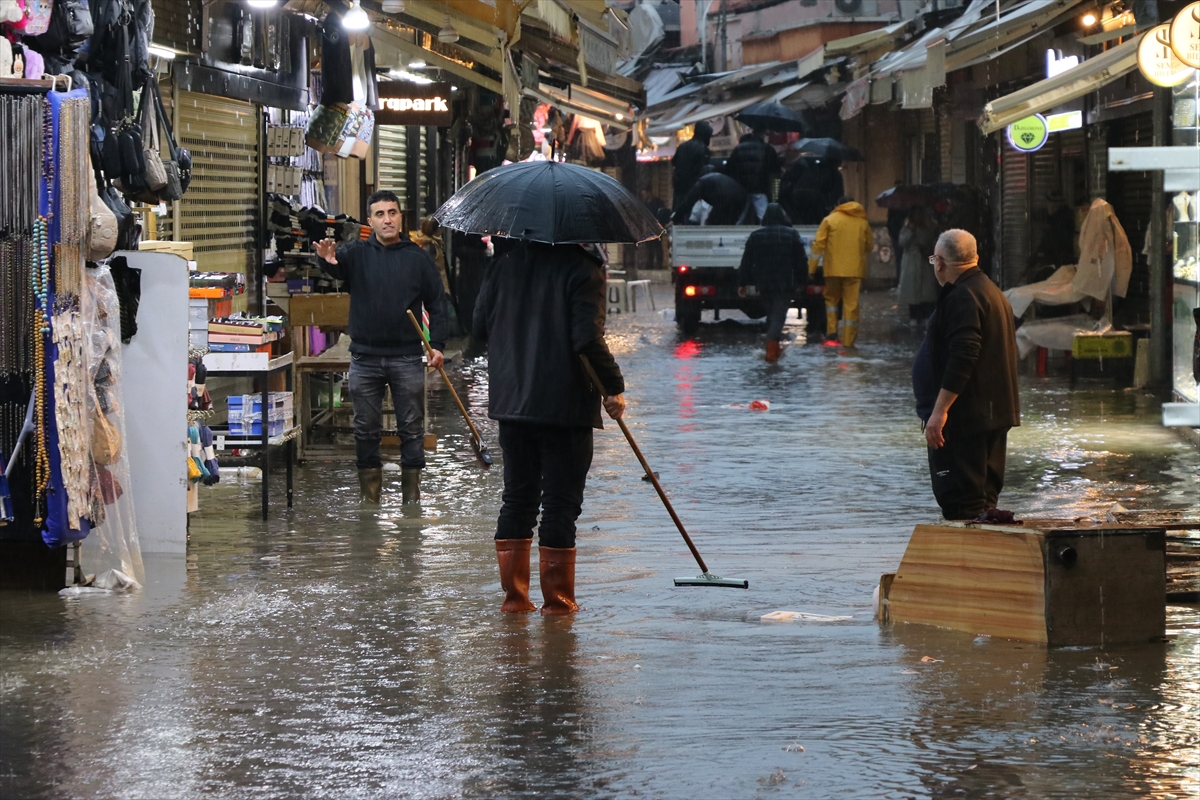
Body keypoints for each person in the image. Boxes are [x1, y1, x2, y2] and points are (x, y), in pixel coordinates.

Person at [472, 241, 626, 615]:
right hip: (565, 406)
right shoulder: (583, 269)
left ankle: (515, 603)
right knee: (559, 506)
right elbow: (587, 338)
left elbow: (477, 330)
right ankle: (558, 609)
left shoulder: (503, 265)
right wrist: (614, 387)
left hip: (513, 404)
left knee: (518, 500)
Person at [315, 190, 449, 505]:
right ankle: (369, 501)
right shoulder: (355, 254)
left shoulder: (418, 258)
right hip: (364, 358)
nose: (387, 219)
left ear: (401, 216)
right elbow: (336, 268)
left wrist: (438, 345)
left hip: (406, 358)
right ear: (370, 220)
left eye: (392, 212)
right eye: (380, 214)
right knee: (365, 429)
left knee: (412, 429)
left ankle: (411, 500)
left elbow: (438, 305)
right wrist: (326, 261)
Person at [913, 229, 1020, 521]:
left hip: (965, 420)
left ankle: (966, 563)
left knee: (962, 502)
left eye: (934, 258)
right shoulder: (990, 291)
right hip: (990, 414)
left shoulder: (962, 296)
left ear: (941, 263)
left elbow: (964, 355)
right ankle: (987, 562)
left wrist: (940, 411)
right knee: (982, 503)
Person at [737, 203, 807, 362]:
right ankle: (771, 351)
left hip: (763, 283)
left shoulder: (756, 235)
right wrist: (802, 280)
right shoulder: (791, 234)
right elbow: (801, 261)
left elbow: (746, 261)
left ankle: (772, 347)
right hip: (784, 283)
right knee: (778, 316)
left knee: (771, 315)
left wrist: (742, 283)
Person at [808, 195, 873, 346]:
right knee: (851, 304)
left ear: (838, 205)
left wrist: (811, 268)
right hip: (854, 271)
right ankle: (849, 342)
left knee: (831, 300)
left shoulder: (829, 220)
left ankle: (831, 333)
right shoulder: (862, 223)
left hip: (832, 270)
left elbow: (818, 245)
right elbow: (869, 246)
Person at [724, 127, 780, 224]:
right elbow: (774, 168)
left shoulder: (738, 148)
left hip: (741, 187)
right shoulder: (767, 148)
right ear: (762, 134)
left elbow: (730, 168)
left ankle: (735, 236)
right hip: (759, 187)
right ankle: (766, 234)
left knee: (740, 216)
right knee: (764, 216)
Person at [896, 206, 939, 320]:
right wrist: (911, 231)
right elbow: (902, 242)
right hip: (911, 261)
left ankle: (924, 315)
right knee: (912, 290)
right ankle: (914, 315)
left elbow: (929, 242)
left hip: (924, 260)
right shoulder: (907, 227)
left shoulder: (929, 227)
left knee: (926, 291)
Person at [672, 168, 748, 226]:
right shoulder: (714, 180)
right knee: (729, 224)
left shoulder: (700, 184)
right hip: (741, 197)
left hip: (724, 197)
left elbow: (688, 203)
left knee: (712, 224)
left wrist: (675, 220)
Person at [671, 121, 712, 211]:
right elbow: (704, 170)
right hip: (694, 189)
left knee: (678, 212)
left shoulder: (682, 146)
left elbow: (673, 162)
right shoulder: (703, 149)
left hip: (679, 186)